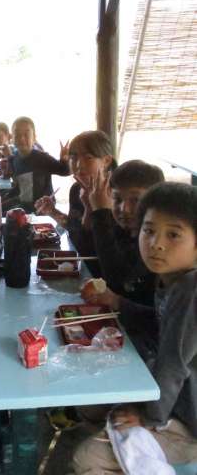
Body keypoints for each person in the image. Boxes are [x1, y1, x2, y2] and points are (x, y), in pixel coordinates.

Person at [73, 182, 197, 473]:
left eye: (173, 234)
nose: (156, 243)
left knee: (87, 458)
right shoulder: (174, 278)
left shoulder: (191, 290)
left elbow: (173, 364)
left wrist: (147, 416)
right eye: (149, 230)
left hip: (188, 420)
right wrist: (117, 302)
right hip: (174, 399)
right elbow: (162, 323)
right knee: (91, 402)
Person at [84, 160, 164, 305]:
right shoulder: (121, 229)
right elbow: (87, 255)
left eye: (136, 200)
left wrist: (100, 213)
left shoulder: (153, 240)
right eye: (117, 199)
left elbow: (118, 279)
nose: (124, 209)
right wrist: (89, 209)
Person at [35, 130, 116, 274]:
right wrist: (52, 212)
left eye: (88, 157)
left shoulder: (116, 195)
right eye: (73, 157)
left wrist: (91, 208)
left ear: (106, 161)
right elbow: (75, 230)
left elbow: (98, 248)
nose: (78, 164)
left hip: (105, 276)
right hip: (81, 268)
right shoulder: (76, 189)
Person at [3, 116, 70, 213]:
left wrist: (65, 160)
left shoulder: (42, 158)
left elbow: (64, 171)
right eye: (17, 135)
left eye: (26, 134)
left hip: (42, 207)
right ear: (11, 138)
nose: (22, 138)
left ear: (34, 137)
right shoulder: (15, 158)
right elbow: (16, 182)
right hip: (24, 203)